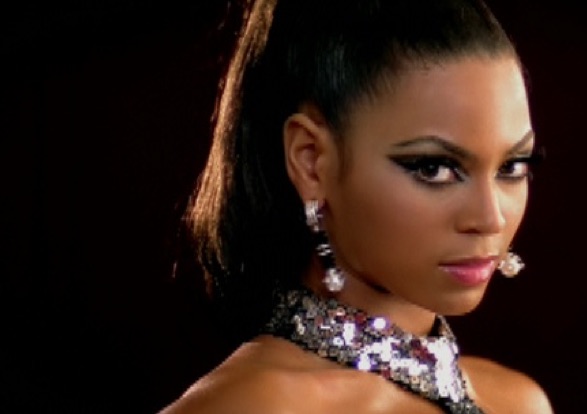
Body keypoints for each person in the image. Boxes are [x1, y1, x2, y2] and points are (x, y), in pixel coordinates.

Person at [160, 0, 552, 412]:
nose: (490, 218)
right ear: (311, 161)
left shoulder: (519, 402)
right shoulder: (253, 405)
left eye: (512, 166)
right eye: (433, 168)